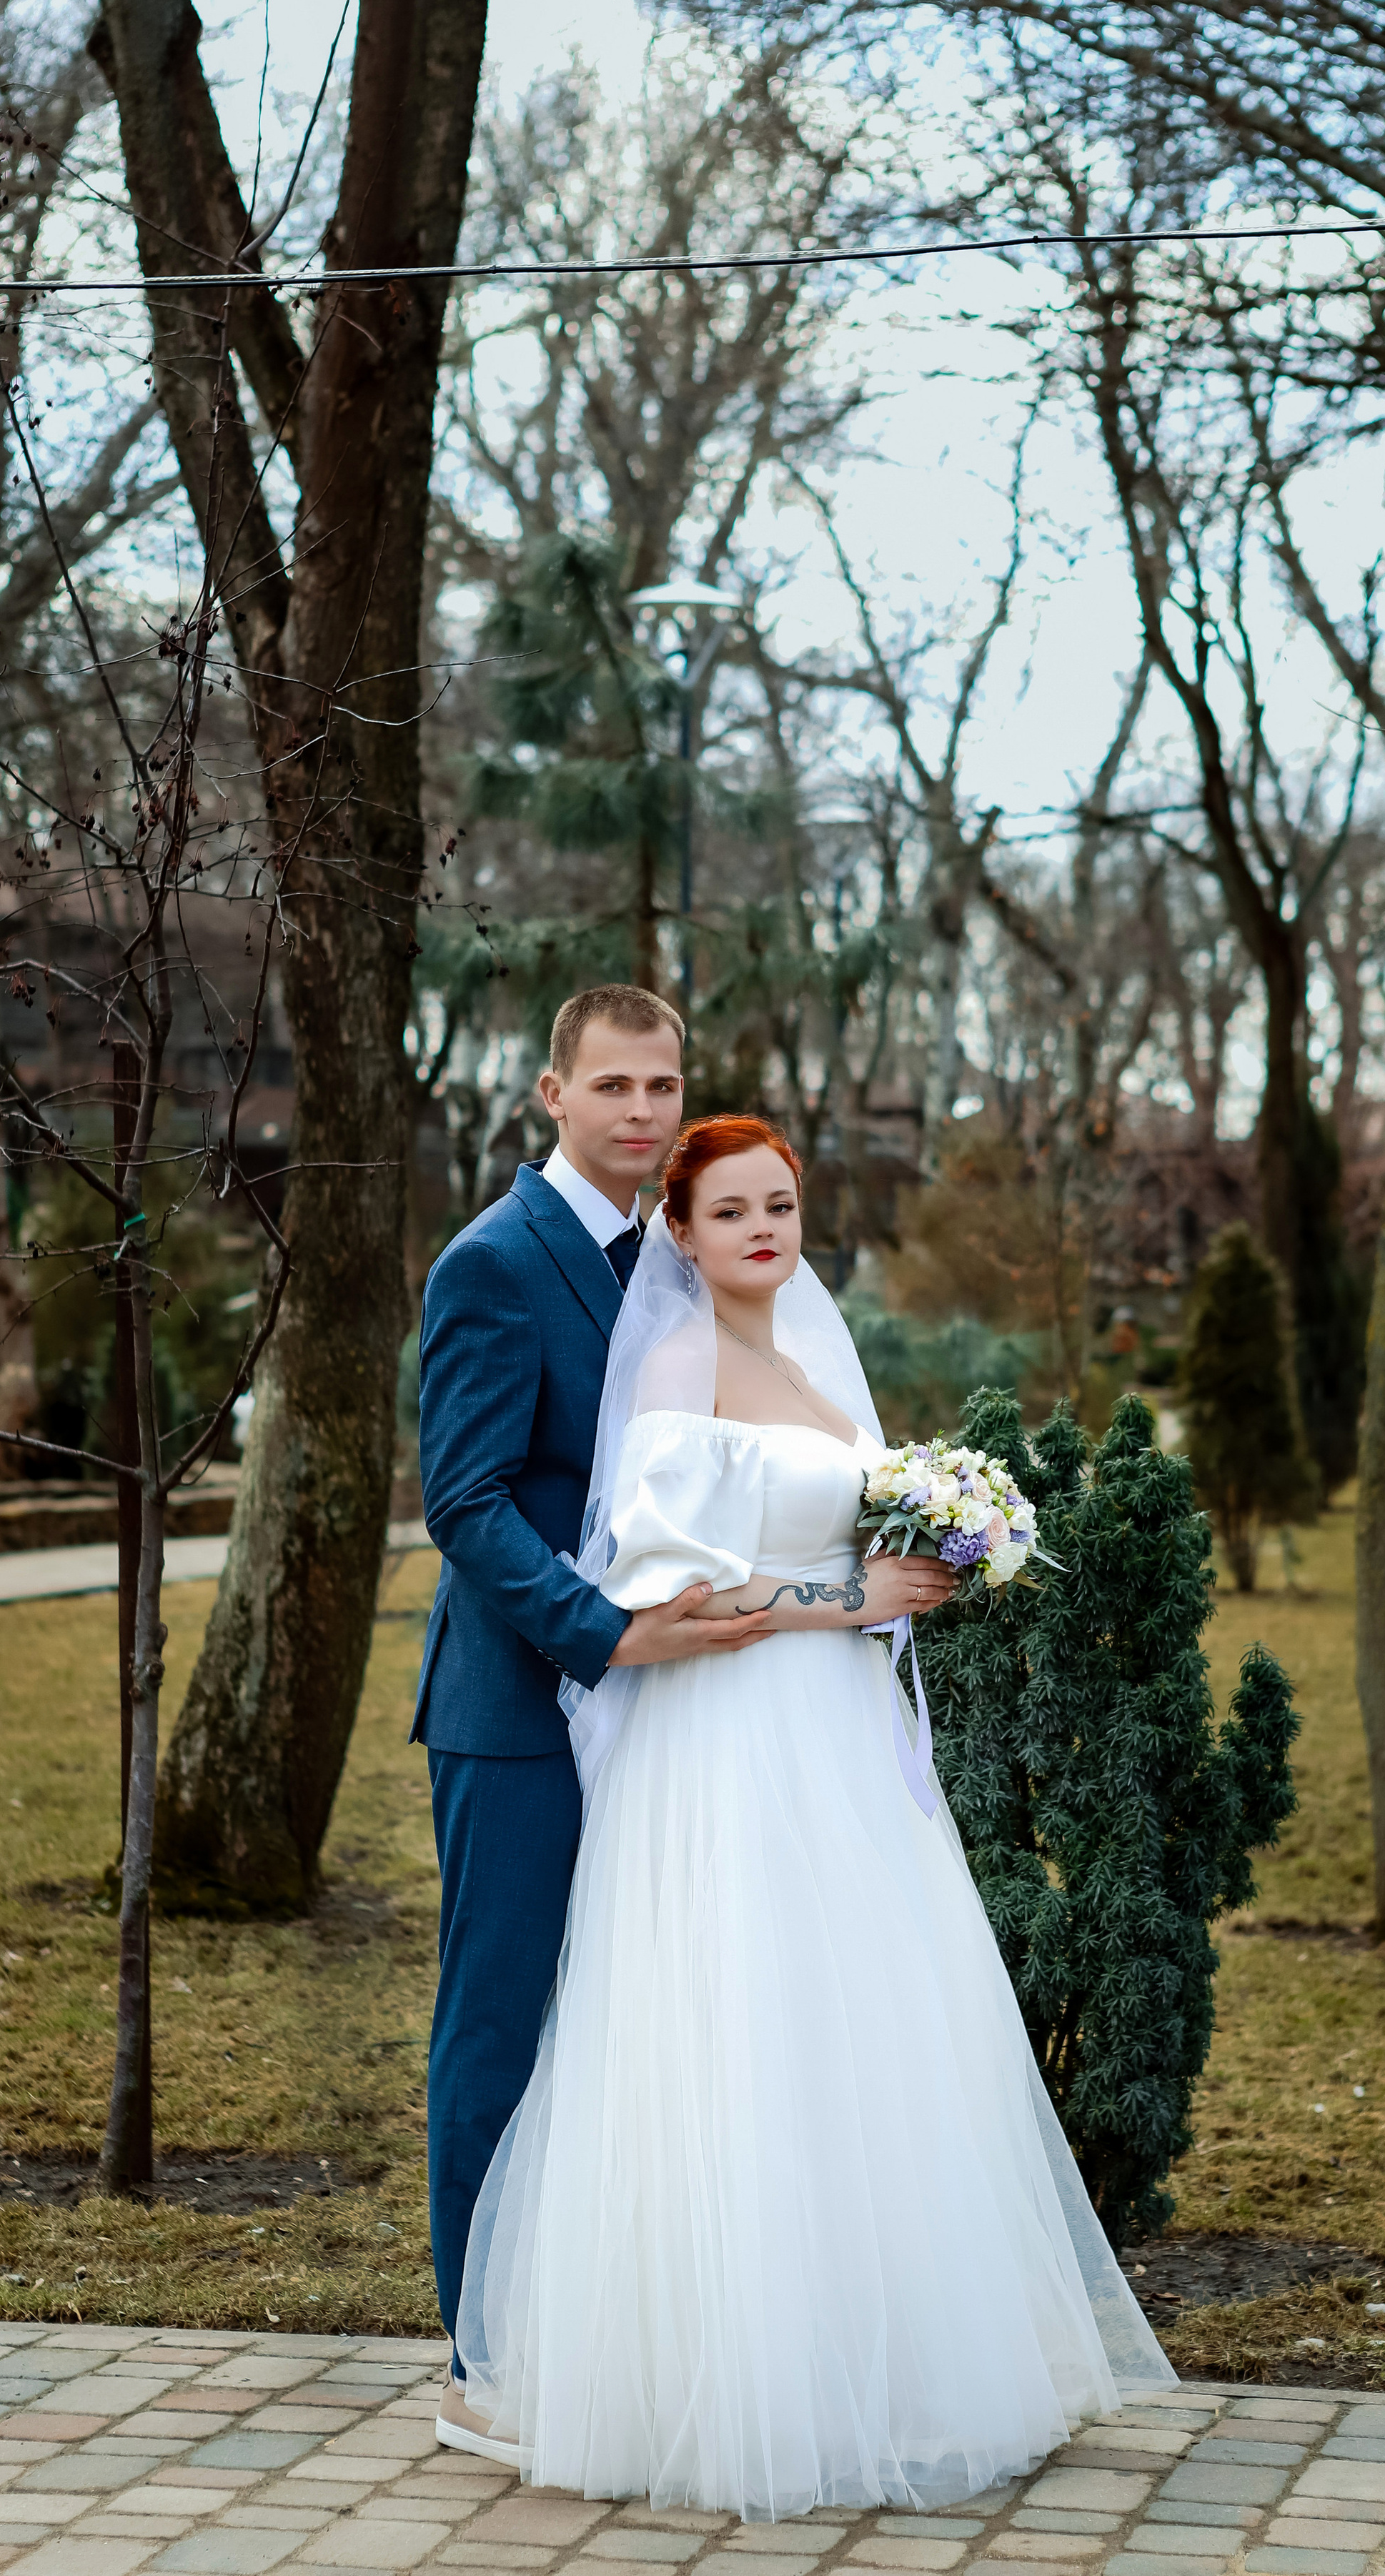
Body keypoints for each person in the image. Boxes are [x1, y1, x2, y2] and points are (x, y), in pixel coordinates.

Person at [452, 1114, 1176, 2517]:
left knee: (856, 2025)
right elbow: (676, 1597)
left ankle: (874, 2359)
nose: (761, 1231)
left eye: (778, 1205)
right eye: (729, 1212)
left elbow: (849, 1525)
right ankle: (732, 2379)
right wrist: (852, 1598)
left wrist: (943, 1545)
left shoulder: (809, 1363)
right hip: (728, 1736)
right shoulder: (676, 1366)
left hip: (834, 1733)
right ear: (679, 1232)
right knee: (745, 2020)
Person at [413, 990, 791, 2457]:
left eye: (664, 1086)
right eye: (615, 1085)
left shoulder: (677, 1261)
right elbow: (465, 1502)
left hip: (669, 1722)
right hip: (520, 1709)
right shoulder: (492, 1264)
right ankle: (481, 2360)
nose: (642, 1111)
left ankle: (609, 2339)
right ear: (552, 1094)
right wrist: (606, 1632)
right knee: (500, 2024)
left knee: (632, 2024)